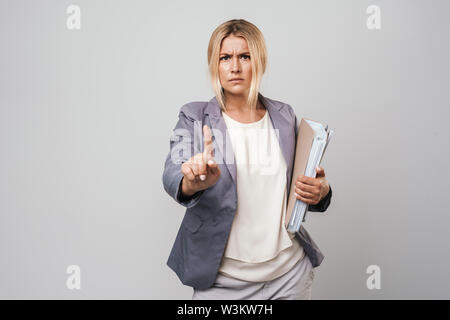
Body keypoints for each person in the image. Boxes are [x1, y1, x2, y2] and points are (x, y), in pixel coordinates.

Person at [162, 19, 332, 300]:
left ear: (259, 62)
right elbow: (172, 174)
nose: (235, 67)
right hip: (222, 281)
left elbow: (298, 184)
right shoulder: (194, 116)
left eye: (244, 56)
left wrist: (321, 192)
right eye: (225, 57)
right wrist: (191, 180)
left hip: (289, 276)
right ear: (214, 65)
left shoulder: (284, 115)